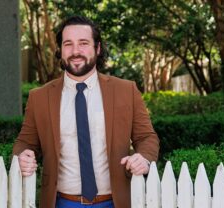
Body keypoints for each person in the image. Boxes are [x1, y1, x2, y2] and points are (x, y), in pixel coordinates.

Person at [13, 15, 159, 208]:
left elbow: (147, 137)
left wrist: (144, 158)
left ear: (97, 48)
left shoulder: (126, 90)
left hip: (115, 201)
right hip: (62, 202)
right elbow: (25, 142)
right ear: (60, 50)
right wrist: (22, 156)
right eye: (68, 44)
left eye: (83, 43)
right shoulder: (39, 97)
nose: (75, 51)